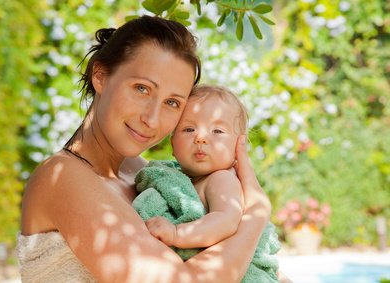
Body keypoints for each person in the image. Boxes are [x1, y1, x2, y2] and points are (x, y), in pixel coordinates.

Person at [18, 15, 271, 283]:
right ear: (101, 76)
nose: (151, 118)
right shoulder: (62, 177)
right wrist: (255, 216)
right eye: (142, 89)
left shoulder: (147, 174)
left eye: (172, 103)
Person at [136, 85, 281, 283]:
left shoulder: (222, 179)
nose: (201, 138)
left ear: (238, 146)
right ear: (172, 144)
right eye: (189, 129)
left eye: (217, 131)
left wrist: (177, 233)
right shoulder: (178, 178)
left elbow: (226, 220)